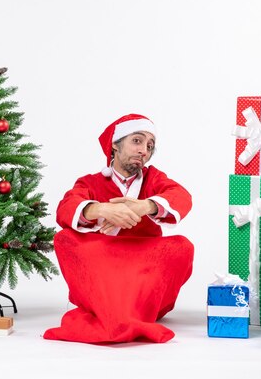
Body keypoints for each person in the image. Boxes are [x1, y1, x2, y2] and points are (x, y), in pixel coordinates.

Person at [43, 113, 194, 344]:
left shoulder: (153, 179)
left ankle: (125, 313)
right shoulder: (90, 182)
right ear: (115, 144)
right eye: (137, 140)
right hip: (105, 263)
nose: (144, 150)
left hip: (143, 263)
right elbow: (66, 208)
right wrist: (101, 210)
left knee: (182, 247)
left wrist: (145, 205)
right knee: (65, 238)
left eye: (150, 145)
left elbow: (181, 197)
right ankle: (122, 315)